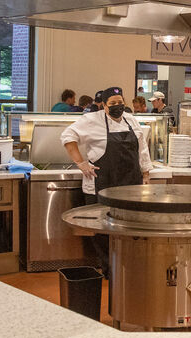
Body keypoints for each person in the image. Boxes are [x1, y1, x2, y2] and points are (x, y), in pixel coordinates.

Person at [61, 86, 153, 275]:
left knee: (129, 228)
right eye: (113, 104)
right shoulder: (91, 120)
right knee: (102, 230)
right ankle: (109, 269)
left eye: (120, 103)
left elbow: (142, 147)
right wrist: (81, 162)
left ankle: (127, 268)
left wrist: (146, 172)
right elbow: (67, 136)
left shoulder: (130, 119)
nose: (118, 106)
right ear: (104, 105)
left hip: (129, 185)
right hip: (102, 184)